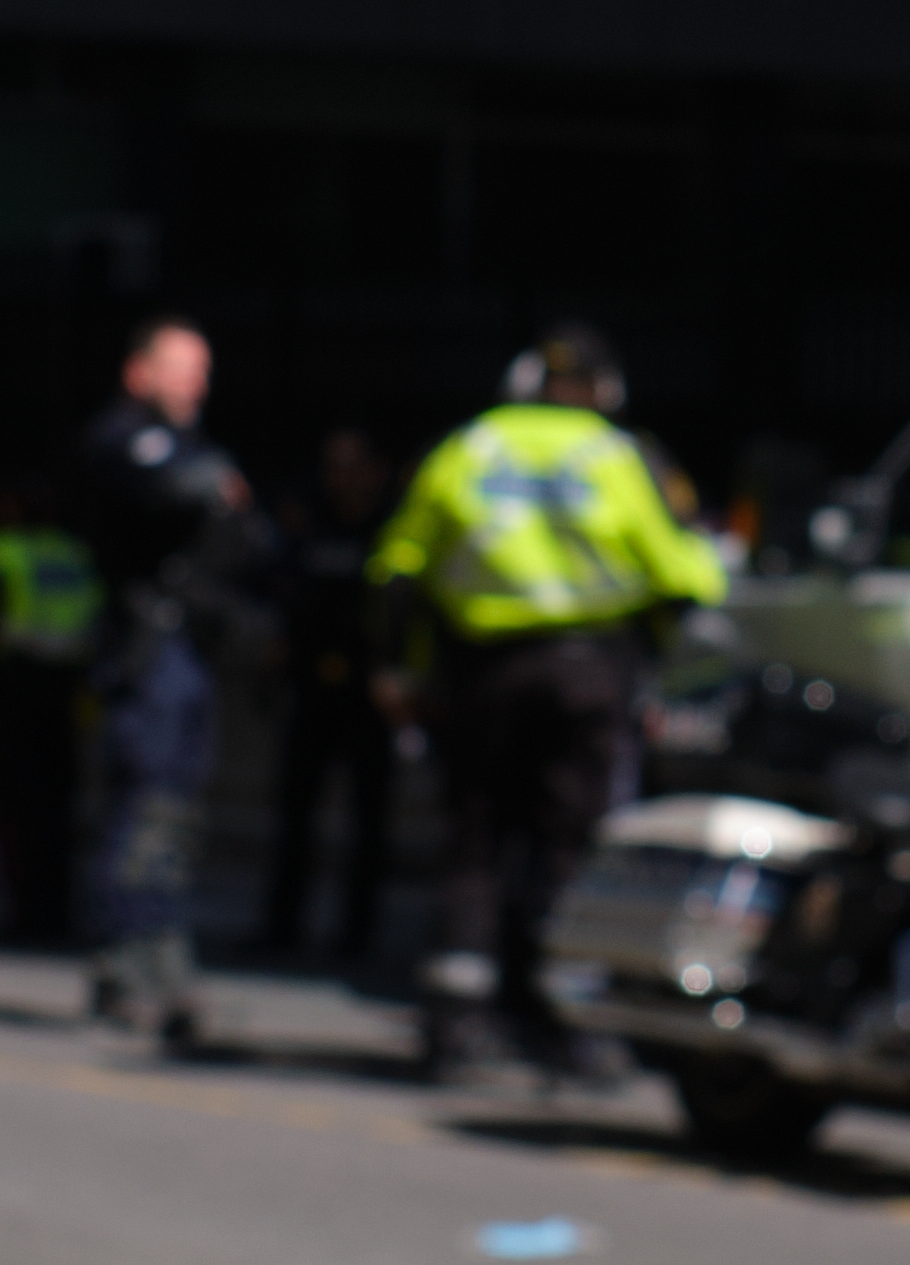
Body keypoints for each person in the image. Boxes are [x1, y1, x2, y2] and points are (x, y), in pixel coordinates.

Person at [372, 325, 729, 1085]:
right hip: (589, 676)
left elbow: (400, 568)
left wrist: (399, 669)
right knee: (569, 846)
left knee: (474, 844)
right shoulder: (619, 455)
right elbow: (687, 574)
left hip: (483, 675)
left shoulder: (471, 447)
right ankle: (566, 1025)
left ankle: (457, 1025)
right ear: (606, 391)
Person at [51, 317, 259, 1054]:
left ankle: (139, 959)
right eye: (181, 368)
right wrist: (207, 488)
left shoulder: (189, 443)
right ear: (139, 372)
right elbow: (166, 489)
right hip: (148, 645)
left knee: (172, 808)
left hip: (191, 647)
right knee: (147, 806)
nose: (195, 384)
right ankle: (138, 959)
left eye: (200, 369)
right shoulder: (123, 437)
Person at [254, 424, 404, 968]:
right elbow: (284, 597)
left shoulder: (391, 531)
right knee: (295, 811)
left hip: (369, 692)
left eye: (351, 466)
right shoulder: (307, 524)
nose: (339, 479)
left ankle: (356, 933)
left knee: (367, 819)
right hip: (311, 686)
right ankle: (282, 924)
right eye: (331, 466)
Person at [0, 480, 103, 946]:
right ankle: (58, 912)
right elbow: (97, 627)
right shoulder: (74, 556)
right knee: (57, 812)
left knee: (14, 811)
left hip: (10, 697)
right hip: (63, 700)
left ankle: (24, 913)